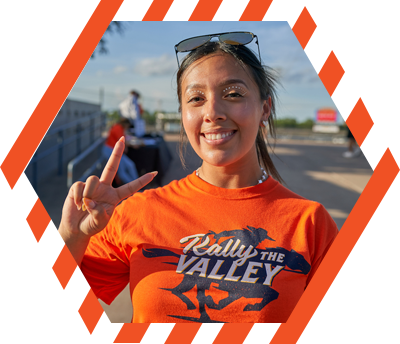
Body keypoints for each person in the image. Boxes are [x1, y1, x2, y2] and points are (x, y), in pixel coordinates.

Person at [59, 32, 338, 323]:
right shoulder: (138, 211)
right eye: (196, 98)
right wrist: (72, 237)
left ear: (264, 108)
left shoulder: (310, 223)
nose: (212, 112)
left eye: (233, 94)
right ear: (183, 114)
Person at [102, 117, 139, 185]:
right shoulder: (118, 127)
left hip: (116, 151)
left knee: (130, 165)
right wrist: (133, 145)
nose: (128, 127)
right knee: (121, 172)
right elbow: (122, 141)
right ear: (125, 123)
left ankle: (137, 184)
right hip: (111, 151)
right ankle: (134, 187)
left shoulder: (120, 128)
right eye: (128, 125)